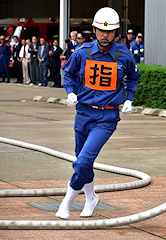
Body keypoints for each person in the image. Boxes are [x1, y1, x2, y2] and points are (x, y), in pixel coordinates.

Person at [56, 6, 141, 220]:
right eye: (101, 31)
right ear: (94, 30)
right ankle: (91, 197)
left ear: (116, 33)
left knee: (84, 160)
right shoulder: (82, 52)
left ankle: (66, 201)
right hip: (83, 113)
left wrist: (129, 98)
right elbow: (68, 73)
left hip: (107, 117)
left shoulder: (124, 56)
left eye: (110, 31)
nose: (105, 35)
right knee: (82, 159)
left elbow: (133, 77)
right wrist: (70, 92)